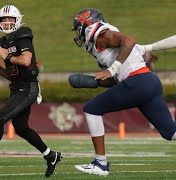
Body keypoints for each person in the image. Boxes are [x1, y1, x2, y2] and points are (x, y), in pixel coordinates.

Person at [70, 8, 176, 176]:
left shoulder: (101, 34)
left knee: (92, 109)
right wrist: (96, 82)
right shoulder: (99, 45)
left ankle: (100, 164)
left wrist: (112, 69)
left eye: (79, 27)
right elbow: (117, 79)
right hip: (148, 82)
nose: (78, 32)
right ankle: (100, 164)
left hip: (139, 82)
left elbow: (129, 40)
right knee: (170, 133)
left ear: (89, 24)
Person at [0, 5, 62, 178]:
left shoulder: (23, 34)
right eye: (3, 20)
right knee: (21, 128)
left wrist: (7, 56)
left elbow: (26, 60)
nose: (6, 22)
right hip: (17, 87)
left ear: (17, 20)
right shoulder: (2, 42)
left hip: (28, 87)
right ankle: (51, 155)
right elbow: (12, 74)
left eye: (10, 19)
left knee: (0, 119)